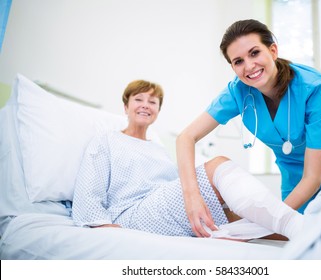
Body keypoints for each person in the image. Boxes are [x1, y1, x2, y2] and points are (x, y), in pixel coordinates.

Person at [176, 19, 321, 237]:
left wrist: (260, 229)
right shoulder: (238, 92)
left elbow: (313, 178)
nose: (249, 66)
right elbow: (185, 137)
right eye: (238, 61)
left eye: (254, 53)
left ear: (273, 50)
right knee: (302, 242)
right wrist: (192, 196)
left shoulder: (315, 89)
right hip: (295, 177)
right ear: (232, 67)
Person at [71, 79, 303, 240]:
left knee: (240, 216)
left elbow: (174, 185)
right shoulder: (107, 140)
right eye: (138, 99)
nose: (145, 105)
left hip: (161, 208)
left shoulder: (158, 149)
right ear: (125, 106)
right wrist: (102, 225)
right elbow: (88, 188)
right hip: (131, 214)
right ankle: (298, 225)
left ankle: (306, 234)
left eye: (152, 102)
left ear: (158, 111)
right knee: (217, 166)